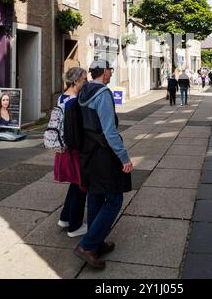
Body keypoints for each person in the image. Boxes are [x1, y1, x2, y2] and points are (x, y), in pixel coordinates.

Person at [75, 59, 133, 270]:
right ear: (104, 72)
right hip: (103, 153)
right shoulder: (103, 94)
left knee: (96, 195)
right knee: (114, 198)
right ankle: (88, 245)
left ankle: (96, 241)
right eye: (110, 69)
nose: (112, 73)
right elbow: (109, 131)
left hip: (88, 152)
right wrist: (124, 157)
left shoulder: (83, 91)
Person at [54, 67, 88, 237]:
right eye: (84, 79)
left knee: (75, 185)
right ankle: (75, 226)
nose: (86, 81)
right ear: (75, 81)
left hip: (64, 148)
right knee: (81, 185)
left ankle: (65, 218)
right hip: (74, 149)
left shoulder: (62, 96)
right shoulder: (74, 101)